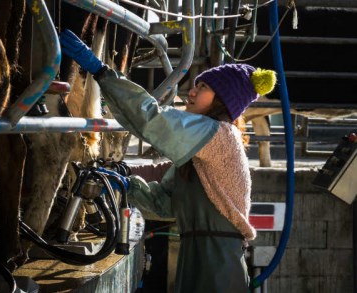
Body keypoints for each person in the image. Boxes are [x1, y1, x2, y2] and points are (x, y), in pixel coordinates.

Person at [60, 29, 276, 292]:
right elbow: (165, 205)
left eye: (203, 87)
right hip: (198, 256)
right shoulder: (203, 147)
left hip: (217, 262)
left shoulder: (219, 135)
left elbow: (152, 121)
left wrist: (102, 72)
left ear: (223, 99)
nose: (191, 93)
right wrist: (126, 185)